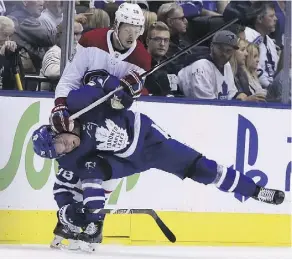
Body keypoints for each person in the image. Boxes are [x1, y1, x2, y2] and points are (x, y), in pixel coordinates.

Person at [32, 70, 285, 252]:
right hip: (124, 162)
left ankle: (256, 191)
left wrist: (123, 88)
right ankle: (93, 222)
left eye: (62, 143)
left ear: (58, 129)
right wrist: (68, 212)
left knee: (204, 169)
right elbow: (62, 188)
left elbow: (101, 81)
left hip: (149, 140)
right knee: (90, 173)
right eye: (60, 151)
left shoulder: (79, 104)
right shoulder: (69, 159)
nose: (67, 148)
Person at [50, 2, 151, 135]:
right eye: (127, 30)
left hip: (113, 120)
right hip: (82, 108)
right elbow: (69, 79)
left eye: (136, 30)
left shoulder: (142, 58)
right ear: (116, 25)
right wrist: (60, 105)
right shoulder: (91, 40)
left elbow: (132, 100)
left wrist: (134, 91)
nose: (132, 36)